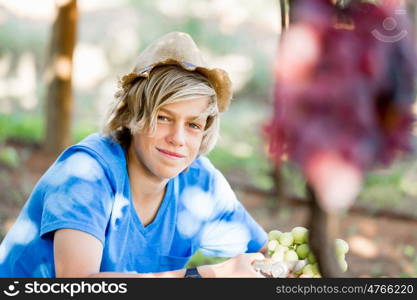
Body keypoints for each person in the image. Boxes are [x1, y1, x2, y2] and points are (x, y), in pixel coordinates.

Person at [0, 32, 268, 278]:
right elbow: (79, 286)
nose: (178, 138)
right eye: (163, 118)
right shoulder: (86, 172)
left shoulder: (201, 183)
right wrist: (206, 276)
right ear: (132, 116)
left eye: (193, 125)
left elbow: (264, 253)